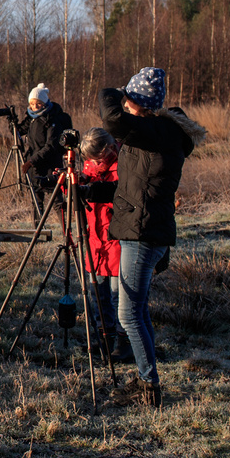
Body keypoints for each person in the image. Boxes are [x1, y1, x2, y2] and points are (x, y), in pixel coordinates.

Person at [98, 67, 207, 407]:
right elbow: (132, 186)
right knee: (137, 309)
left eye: (130, 100)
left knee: (127, 313)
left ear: (138, 103)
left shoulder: (156, 132)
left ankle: (149, 386)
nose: (125, 105)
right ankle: (147, 379)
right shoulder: (158, 133)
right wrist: (92, 192)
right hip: (144, 228)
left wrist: (118, 92)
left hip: (143, 233)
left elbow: (111, 114)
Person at [76, 127, 130, 359]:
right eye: (89, 159)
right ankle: (104, 339)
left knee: (120, 296)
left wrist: (92, 191)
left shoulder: (123, 168)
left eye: (95, 158)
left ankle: (124, 343)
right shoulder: (89, 168)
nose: (92, 163)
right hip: (95, 240)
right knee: (97, 294)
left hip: (116, 239)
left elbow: (121, 199)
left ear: (108, 150)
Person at [19, 83, 72, 212]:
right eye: (32, 104)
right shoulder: (31, 119)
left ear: (44, 103)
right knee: (37, 202)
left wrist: (31, 161)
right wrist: (11, 119)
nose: (35, 107)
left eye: (38, 104)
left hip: (50, 166)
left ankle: (65, 231)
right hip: (35, 168)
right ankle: (38, 230)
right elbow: (19, 131)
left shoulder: (52, 119)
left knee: (57, 201)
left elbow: (51, 146)